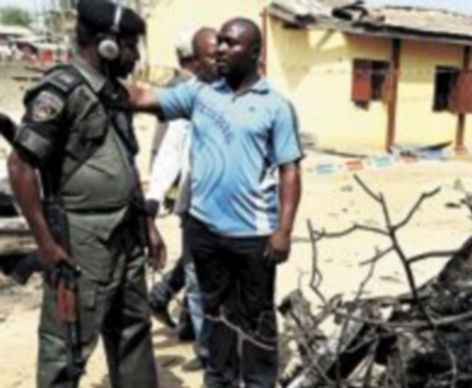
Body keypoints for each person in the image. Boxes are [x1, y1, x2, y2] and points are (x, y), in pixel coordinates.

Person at [129, 17, 303, 387]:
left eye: (230, 43)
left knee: (257, 319)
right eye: (219, 42)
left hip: (254, 235)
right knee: (215, 316)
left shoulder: (275, 106)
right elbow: (143, 98)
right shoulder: (201, 94)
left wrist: (283, 231)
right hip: (205, 231)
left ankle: (258, 382)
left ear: (255, 53)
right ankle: (219, 380)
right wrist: (97, 75)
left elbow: (290, 171)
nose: (220, 49)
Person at [6, 0, 163, 387]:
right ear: (106, 45)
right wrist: (45, 243)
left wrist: (148, 224)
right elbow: (20, 166)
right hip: (82, 242)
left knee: (133, 332)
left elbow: (122, 163)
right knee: (67, 346)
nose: (135, 55)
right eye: (130, 45)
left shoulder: (113, 92)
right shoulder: (60, 91)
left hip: (126, 233)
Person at [146, 26, 218, 371]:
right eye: (206, 55)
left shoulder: (252, 96)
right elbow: (171, 150)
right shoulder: (186, 94)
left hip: (240, 214)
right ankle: (208, 354)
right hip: (195, 205)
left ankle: (228, 349)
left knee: (229, 284)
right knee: (196, 278)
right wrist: (154, 199)